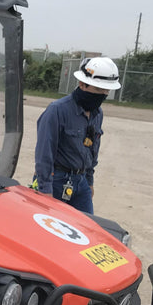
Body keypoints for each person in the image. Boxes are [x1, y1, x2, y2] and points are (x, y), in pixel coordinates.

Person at [32, 56, 121, 213]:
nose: (104, 94)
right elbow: (44, 154)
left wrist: (89, 181)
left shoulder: (97, 114)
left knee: (87, 229)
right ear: (82, 84)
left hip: (81, 182)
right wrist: (45, 189)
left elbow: (92, 151)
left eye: (107, 90)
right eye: (99, 89)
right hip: (56, 181)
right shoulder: (57, 110)